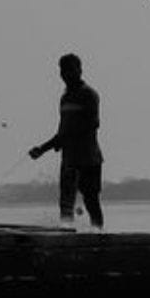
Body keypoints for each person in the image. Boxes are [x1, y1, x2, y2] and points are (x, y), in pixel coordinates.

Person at [29, 53, 104, 229]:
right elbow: (62, 132)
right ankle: (67, 235)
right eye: (63, 70)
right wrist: (43, 148)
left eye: (70, 69)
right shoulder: (65, 98)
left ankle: (99, 236)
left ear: (79, 70)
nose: (66, 74)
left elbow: (93, 123)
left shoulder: (89, 94)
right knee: (66, 204)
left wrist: (67, 138)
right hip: (69, 160)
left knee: (91, 200)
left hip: (89, 158)